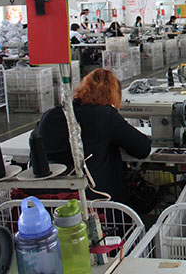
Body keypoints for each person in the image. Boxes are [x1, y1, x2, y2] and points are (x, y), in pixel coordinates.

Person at [37, 69, 151, 203]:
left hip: (46, 201)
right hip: (94, 202)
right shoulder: (105, 115)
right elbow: (142, 148)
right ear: (113, 94)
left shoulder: (49, 115)